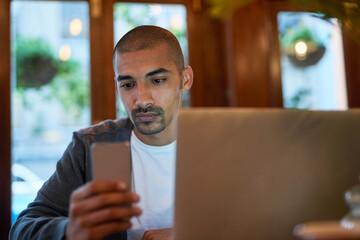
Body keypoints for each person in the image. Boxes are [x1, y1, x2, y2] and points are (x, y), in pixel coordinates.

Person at [9, 25, 193, 240]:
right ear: (117, 88)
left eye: (158, 80)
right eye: (127, 84)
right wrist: (69, 230)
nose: (142, 99)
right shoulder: (89, 145)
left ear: (185, 79)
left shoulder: (220, 143)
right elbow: (22, 229)